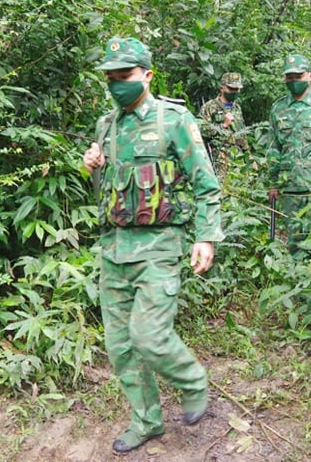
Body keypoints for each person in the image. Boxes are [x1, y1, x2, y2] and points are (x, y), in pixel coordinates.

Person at [83, 37, 224, 454]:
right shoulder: (106, 126)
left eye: (124, 75)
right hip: (114, 249)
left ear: (146, 74)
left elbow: (206, 185)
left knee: (148, 334)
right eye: (110, 77)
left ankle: (193, 381)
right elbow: (107, 193)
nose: (116, 84)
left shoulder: (173, 120)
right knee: (121, 347)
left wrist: (205, 237)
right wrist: (93, 168)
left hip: (160, 245)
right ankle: (147, 420)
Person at [266, 53, 311, 253]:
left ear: (310, 76)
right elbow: (273, 148)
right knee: (294, 242)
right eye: (289, 77)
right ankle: (295, 279)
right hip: (290, 187)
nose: (294, 81)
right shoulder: (278, 108)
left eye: (298, 76)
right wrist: (273, 183)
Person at [198, 72, 251, 181]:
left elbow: (242, 135)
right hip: (219, 161)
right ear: (222, 88)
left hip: (238, 160)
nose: (235, 92)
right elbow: (200, 131)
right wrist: (223, 125)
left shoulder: (237, 108)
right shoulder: (209, 107)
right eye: (232, 89)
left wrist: (249, 156)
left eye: (237, 89)